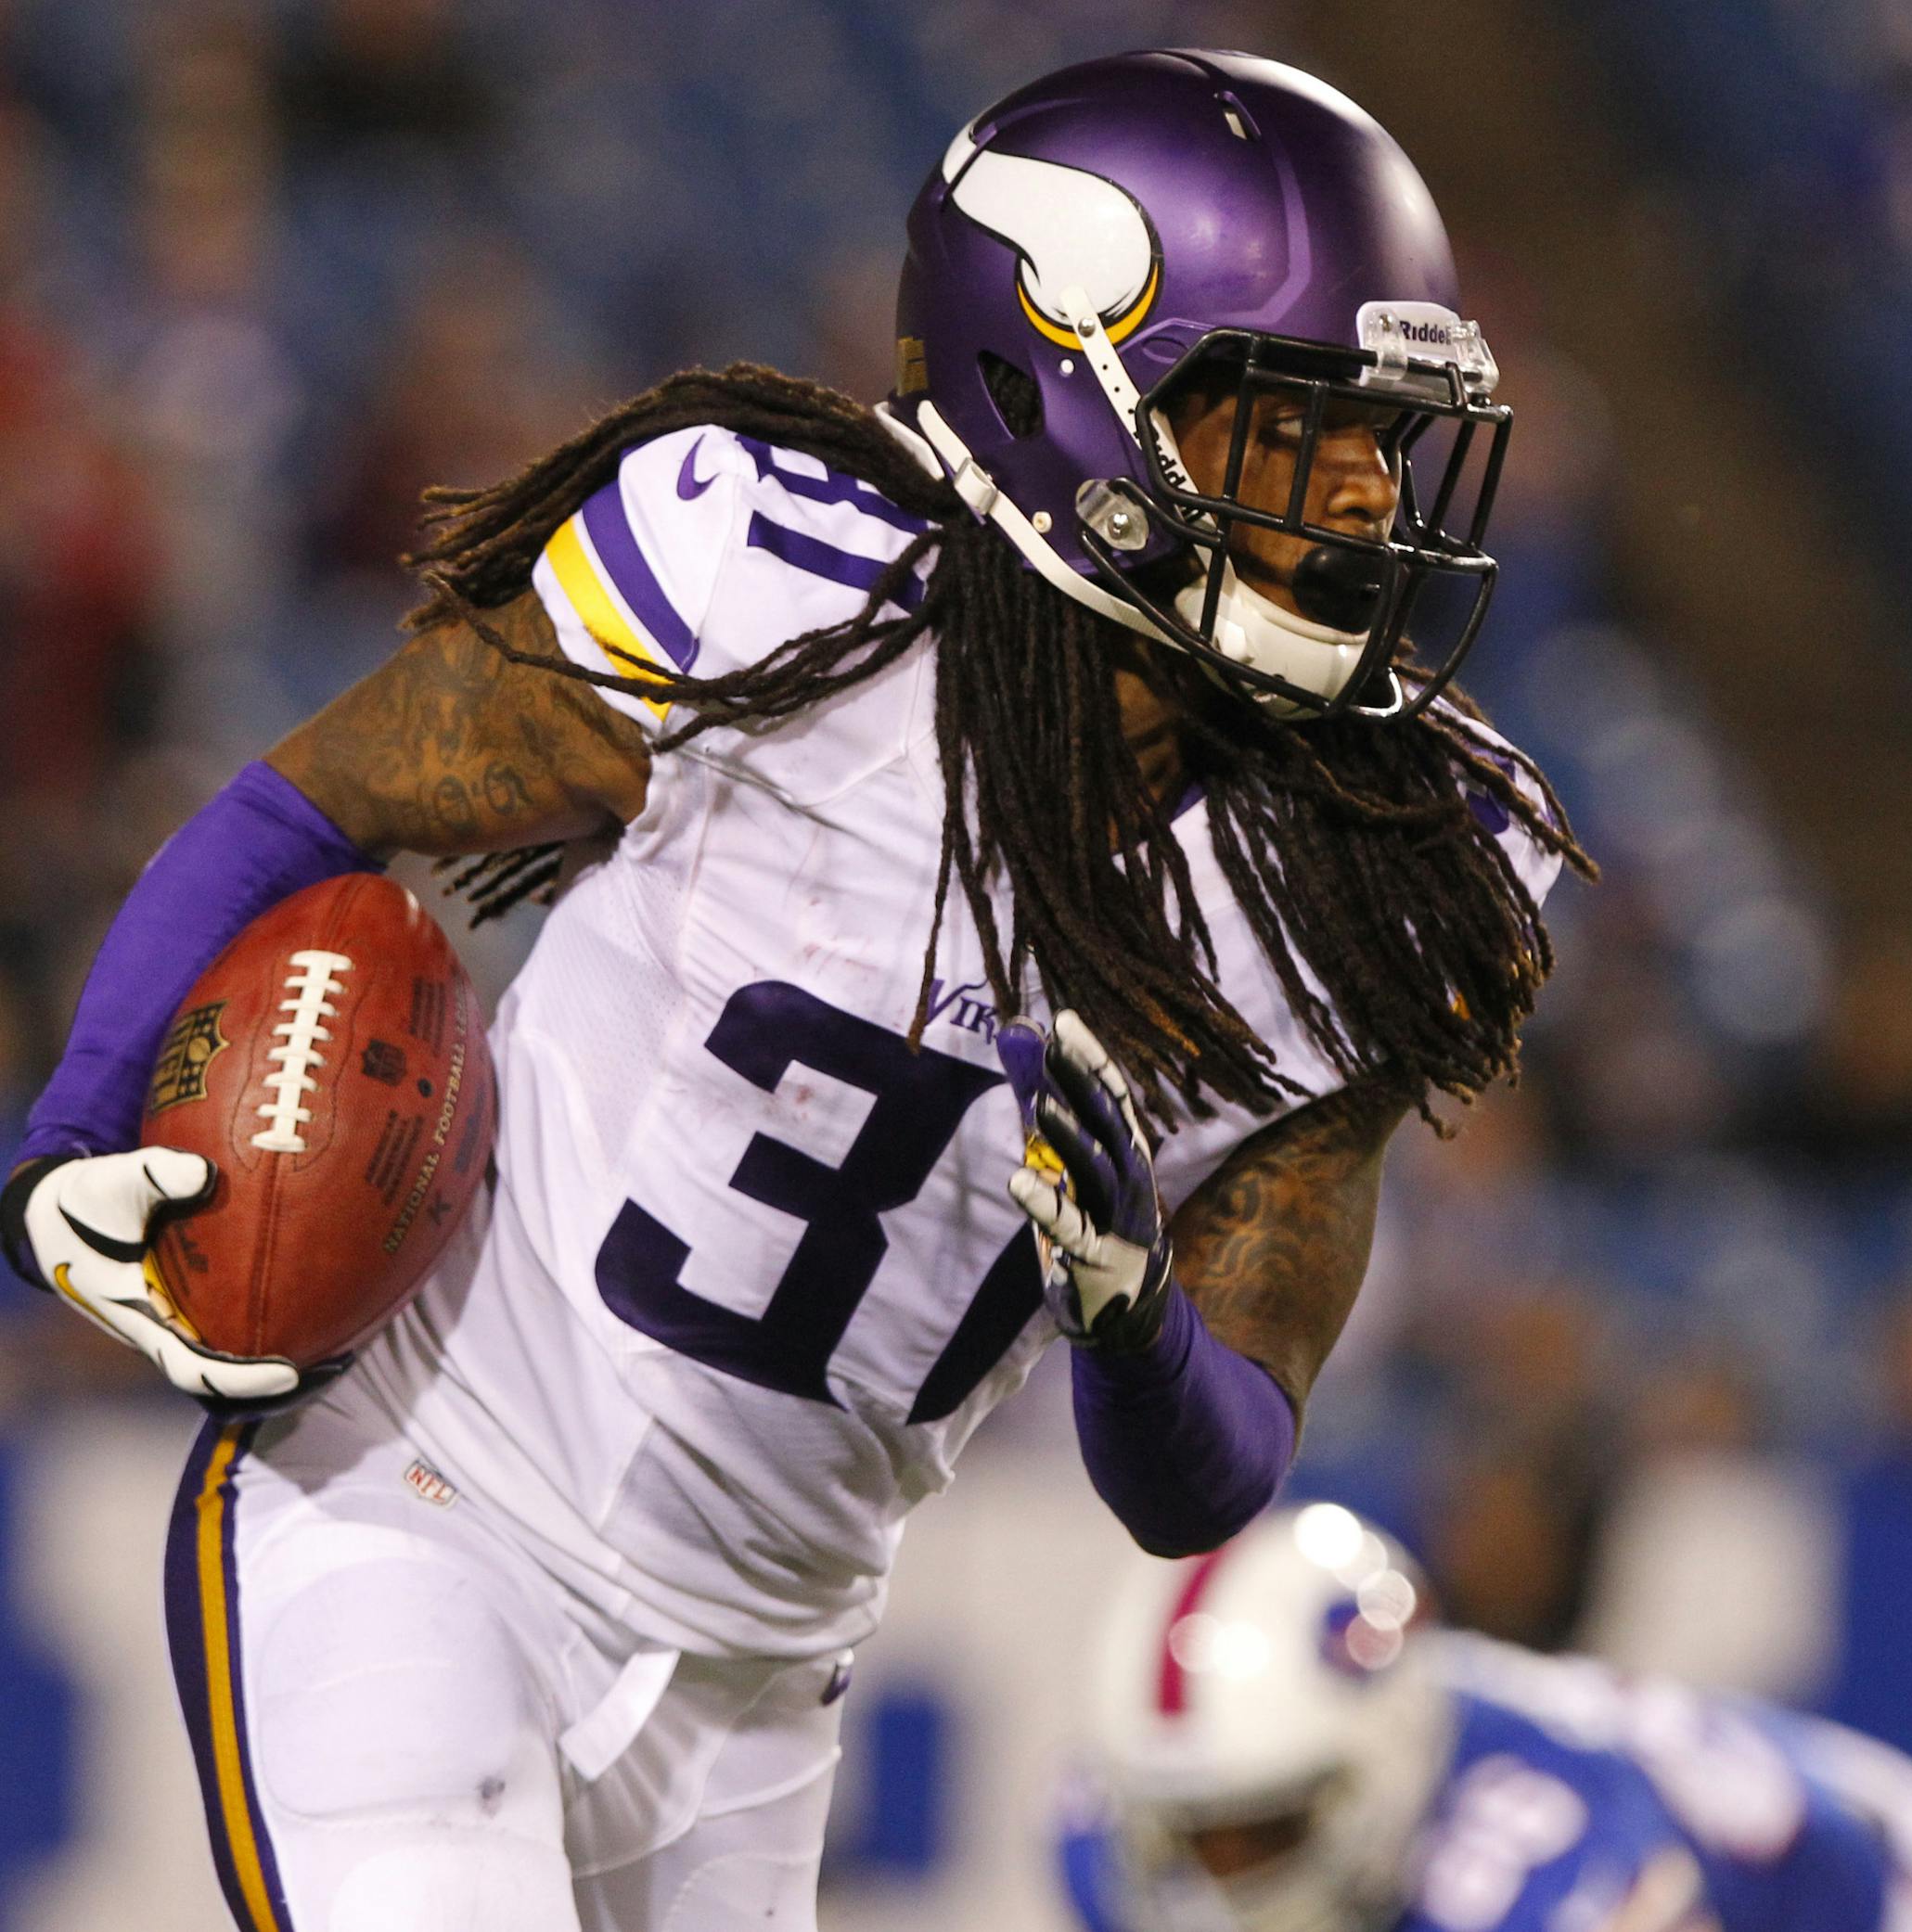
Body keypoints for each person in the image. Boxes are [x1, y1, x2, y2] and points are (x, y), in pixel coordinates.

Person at [0, 50, 1584, 1932]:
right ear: (1064, 390)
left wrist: (1134, 1320)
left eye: (1385, 438)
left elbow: (1206, 1474)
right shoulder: (786, 596)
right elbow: (317, 802)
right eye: (1291, 424)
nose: (1365, 495)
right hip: (424, 1511)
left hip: (758, 1708)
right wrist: (71, 1136)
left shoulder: (1373, 874)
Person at [1061, 1503, 1912, 1932]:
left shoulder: (1549, 1858)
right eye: (1189, 1835)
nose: (1219, 1879)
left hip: (1885, 1895)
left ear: (1384, 1770)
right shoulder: (1098, 1834)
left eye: (1265, 1832)